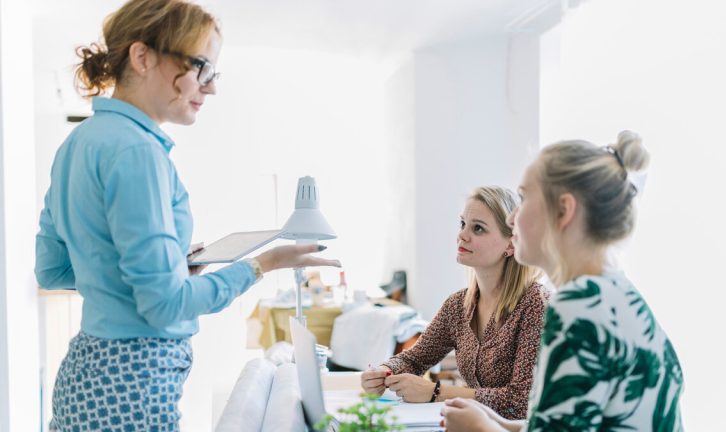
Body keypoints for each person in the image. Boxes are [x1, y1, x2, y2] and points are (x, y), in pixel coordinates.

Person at [34, 1, 340, 430]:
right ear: (143, 57)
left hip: (85, 374)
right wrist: (261, 265)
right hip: (132, 383)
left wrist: (160, 271)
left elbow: (52, 270)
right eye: (201, 67)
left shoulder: (78, 143)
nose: (210, 87)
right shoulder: (139, 152)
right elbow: (165, 306)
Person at [441, 131, 684, 431]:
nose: (511, 218)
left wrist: (481, 428)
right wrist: (502, 423)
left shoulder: (578, 307)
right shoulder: (616, 293)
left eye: (525, 198)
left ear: (563, 210)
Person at [361, 186, 548, 419]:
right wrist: (384, 371)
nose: (462, 235)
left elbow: (521, 402)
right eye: (463, 224)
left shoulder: (535, 304)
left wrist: (436, 392)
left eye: (478, 228)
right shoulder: (458, 305)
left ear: (511, 244)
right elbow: (415, 358)